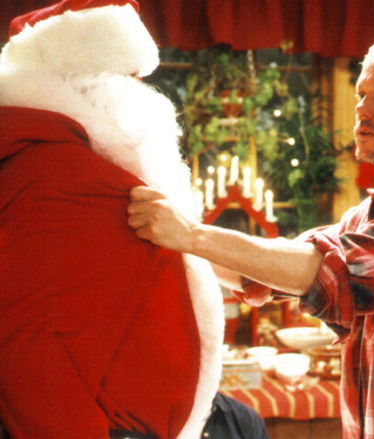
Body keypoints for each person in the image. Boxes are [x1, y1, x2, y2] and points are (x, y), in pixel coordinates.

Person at [128, 29, 374, 438]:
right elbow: (262, 273)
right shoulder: (368, 217)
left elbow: (330, 271)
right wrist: (161, 234)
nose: (363, 108)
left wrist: (189, 235)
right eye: (361, 94)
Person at [0, 1, 268, 438]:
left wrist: (242, 268)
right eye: (130, 79)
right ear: (94, 85)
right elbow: (31, 351)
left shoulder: (79, 165)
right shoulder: (59, 173)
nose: (145, 96)